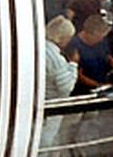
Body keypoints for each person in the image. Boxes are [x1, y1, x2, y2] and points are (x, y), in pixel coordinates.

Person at [66, 14, 113, 95]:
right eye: (100, 36)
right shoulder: (74, 45)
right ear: (91, 33)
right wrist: (98, 85)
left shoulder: (102, 41)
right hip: (85, 90)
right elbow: (79, 75)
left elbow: (109, 59)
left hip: (103, 82)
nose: (102, 39)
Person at [40, 16, 78, 154]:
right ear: (62, 38)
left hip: (40, 102)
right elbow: (66, 87)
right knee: (47, 143)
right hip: (51, 106)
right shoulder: (55, 59)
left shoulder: (39, 47)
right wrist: (73, 65)